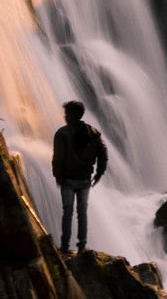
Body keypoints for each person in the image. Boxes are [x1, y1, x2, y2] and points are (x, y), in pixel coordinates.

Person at [52, 100, 108, 255]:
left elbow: (58, 159)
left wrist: (58, 176)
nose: (64, 116)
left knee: (67, 213)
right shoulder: (94, 132)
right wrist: (98, 173)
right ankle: (82, 246)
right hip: (85, 180)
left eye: (66, 113)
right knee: (82, 213)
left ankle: (64, 247)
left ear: (71, 115)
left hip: (68, 180)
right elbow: (103, 154)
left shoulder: (62, 133)